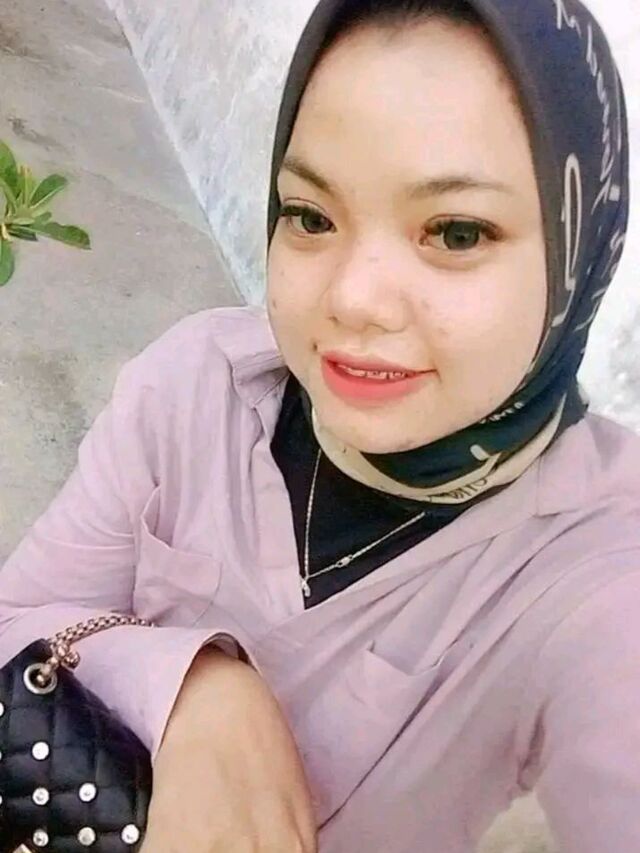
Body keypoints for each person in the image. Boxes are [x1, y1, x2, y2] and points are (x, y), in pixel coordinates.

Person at [0, 0, 638, 850]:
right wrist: (195, 686)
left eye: (455, 232)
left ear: (578, 247)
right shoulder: (197, 385)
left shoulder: (595, 566)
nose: (353, 298)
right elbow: (20, 614)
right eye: (310, 215)